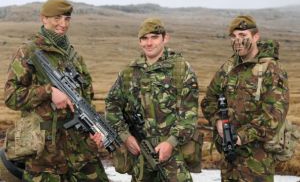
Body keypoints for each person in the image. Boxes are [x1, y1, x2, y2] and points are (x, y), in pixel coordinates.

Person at [4, 0, 109, 181]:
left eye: (67, 19)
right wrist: (48, 92)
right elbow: (11, 96)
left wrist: (94, 130)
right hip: (44, 155)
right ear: (44, 18)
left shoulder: (74, 56)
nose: (63, 24)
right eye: (57, 18)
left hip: (81, 153)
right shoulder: (28, 52)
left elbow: (86, 99)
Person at [93, 18, 199, 181]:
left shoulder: (181, 69)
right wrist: (125, 136)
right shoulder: (129, 72)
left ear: (165, 38)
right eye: (144, 38)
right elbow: (112, 105)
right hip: (140, 157)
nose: (149, 43)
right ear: (139, 41)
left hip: (173, 156)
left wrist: (171, 142)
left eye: (154, 37)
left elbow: (189, 115)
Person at [201, 15, 289, 182]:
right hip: (229, 161)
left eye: (243, 35)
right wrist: (218, 121)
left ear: (256, 36)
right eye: (234, 36)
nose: (238, 40)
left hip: (257, 163)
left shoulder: (272, 70)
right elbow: (209, 101)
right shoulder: (227, 68)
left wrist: (240, 136)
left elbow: (274, 116)